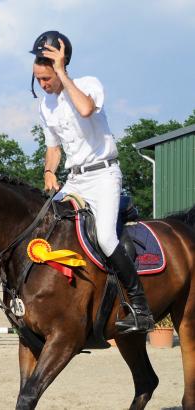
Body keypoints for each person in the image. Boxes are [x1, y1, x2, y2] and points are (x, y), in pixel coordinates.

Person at [30, 30, 154, 334]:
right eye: (38, 79)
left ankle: (140, 306)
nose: (42, 85)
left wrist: (62, 74)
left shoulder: (88, 85)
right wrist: (49, 171)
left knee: (106, 238)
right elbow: (53, 147)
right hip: (75, 180)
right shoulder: (45, 106)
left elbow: (85, 109)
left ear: (62, 67)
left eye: (46, 78)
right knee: (41, 226)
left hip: (104, 175)